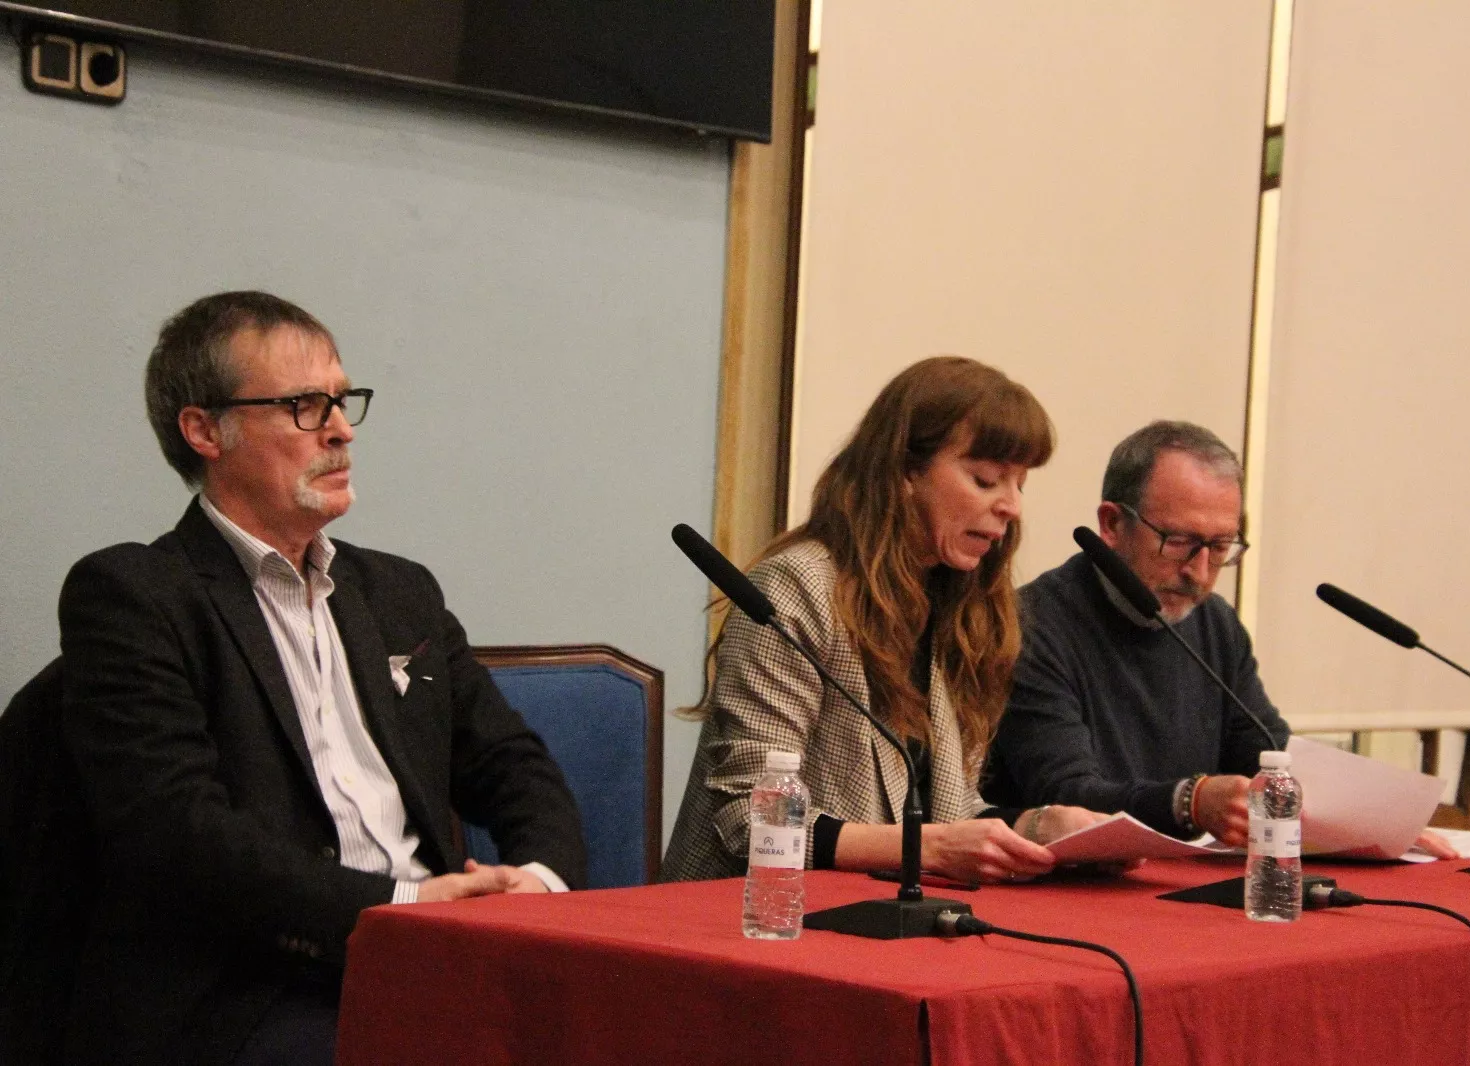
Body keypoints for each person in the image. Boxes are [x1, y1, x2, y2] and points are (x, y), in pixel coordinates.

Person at [56, 292, 587, 1066]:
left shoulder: (400, 594)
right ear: (205, 430)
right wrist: (397, 907)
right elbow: (176, 836)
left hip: (441, 957)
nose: (340, 430)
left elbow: (512, 765)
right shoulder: (136, 595)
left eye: (341, 402)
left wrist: (536, 883)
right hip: (255, 985)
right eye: (305, 406)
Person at [662, 357, 1104, 886]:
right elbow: (754, 819)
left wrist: (1039, 827)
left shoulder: (961, 606)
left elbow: (947, 806)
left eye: (1019, 484)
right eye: (986, 479)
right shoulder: (795, 589)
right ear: (904, 474)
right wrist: (932, 848)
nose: (1010, 506)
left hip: (884, 917)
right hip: (752, 921)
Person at [985, 420, 1457, 858]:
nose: (1200, 572)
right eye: (1179, 542)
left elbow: (1264, 752)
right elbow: (1064, 797)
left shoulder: (1213, 622)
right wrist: (1190, 801)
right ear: (1111, 524)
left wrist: (1366, 819)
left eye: (1219, 546)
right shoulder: (1028, 624)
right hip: (1064, 892)